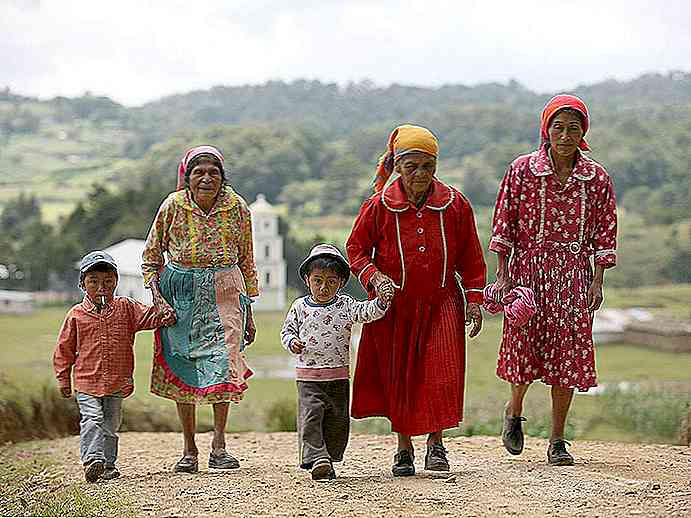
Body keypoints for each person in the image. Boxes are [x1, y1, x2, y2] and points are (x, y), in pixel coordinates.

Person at [346, 124, 487, 476]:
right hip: (395, 309)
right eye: (411, 167)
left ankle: (436, 445)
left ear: (436, 166)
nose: (420, 174)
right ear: (397, 166)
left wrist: (473, 299)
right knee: (400, 377)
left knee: (439, 374)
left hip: (442, 304)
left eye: (427, 166)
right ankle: (404, 448)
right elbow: (356, 250)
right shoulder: (379, 206)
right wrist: (375, 278)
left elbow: (471, 256)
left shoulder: (455, 205)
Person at [489, 94, 618, 466]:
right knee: (523, 347)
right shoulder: (522, 170)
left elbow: (605, 233)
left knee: (569, 353)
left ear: (583, 133)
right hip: (529, 273)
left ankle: (557, 439)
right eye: (557, 127)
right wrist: (503, 274)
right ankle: (514, 412)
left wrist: (597, 280)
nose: (565, 135)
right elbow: (504, 224)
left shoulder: (596, 178)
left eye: (573, 128)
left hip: (574, 276)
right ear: (545, 130)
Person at [141, 144, 259, 473]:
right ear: (187, 178)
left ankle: (219, 446)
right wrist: (158, 298)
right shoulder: (172, 206)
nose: (206, 178)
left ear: (223, 178)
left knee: (224, 365)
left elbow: (247, 259)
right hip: (180, 296)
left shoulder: (237, 207)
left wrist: (248, 310)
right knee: (183, 365)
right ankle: (189, 449)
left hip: (226, 294)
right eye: (199, 172)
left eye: (213, 172)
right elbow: (151, 258)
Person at [53, 251, 175, 482]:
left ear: (116, 283)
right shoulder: (76, 316)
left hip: (117, 381)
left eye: (108, 282)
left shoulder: (126, 308)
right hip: (86, 382)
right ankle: (92, 460)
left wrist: (165, 314)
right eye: (93, 282)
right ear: (82, 284)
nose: (101, 287)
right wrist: (63, 379)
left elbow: (149, 317)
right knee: (92, 419)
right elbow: (64, 351)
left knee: (110, 425)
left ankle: (108, 465)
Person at [280, 244, 391, 480]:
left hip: (338, 377)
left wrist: (381, 301)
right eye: (317, 280)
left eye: (331, 281)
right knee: (311, 417)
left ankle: (327, 459)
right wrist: (292, 342)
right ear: (307, 279)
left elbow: (367, 311)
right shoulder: (300, 307)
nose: (323, 287)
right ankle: (317, 457)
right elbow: (287, 332)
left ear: (341, 282)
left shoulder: (346, 305)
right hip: (308, 377)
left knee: (336, 421)